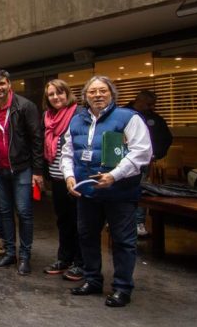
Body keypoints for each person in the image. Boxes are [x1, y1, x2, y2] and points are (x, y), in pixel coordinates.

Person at [63, 76, 152, 308]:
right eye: (92, 92)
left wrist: (114, 175)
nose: (98, 95)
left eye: (103, 91)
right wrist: (69, 176)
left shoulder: (129, 117)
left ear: (112, 94)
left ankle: (122, 288)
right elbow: (67, 152)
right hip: (87, 193)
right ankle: (92, 280)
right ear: (85, 96)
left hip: (120, 193)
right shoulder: (76, 120)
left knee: (123, 241)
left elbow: (142, 152)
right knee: (87, 237)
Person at [0, 69, 43, 276]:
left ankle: (25, 256)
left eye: (1, 83)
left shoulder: (25, 106)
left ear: (9, 84)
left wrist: (37, 170)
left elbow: (37, 139)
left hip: (21, 168)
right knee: (4, 212)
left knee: (24, 212)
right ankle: (10, 252)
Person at [41, 79, 84, 281]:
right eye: (51, 94)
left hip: (75, 178)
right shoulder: (48, 117)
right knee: (63, 220)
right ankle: (64, 258)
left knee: (79, 221)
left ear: (67, 94)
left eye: (59, 93)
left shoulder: (79, 115)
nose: (56, 97)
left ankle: (80, 262)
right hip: (57, 176)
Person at [126, 89, 172, 237]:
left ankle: (138, 222)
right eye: (148, 104)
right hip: (120, 160)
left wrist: (155, 154)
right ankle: (118, 220)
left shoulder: (155, 119)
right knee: (119, 190)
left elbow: (166, 138)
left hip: (143, 162)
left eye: (153, 104)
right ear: (139, 100)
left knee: (140, 189)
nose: (151, 107)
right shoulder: (122, 114)